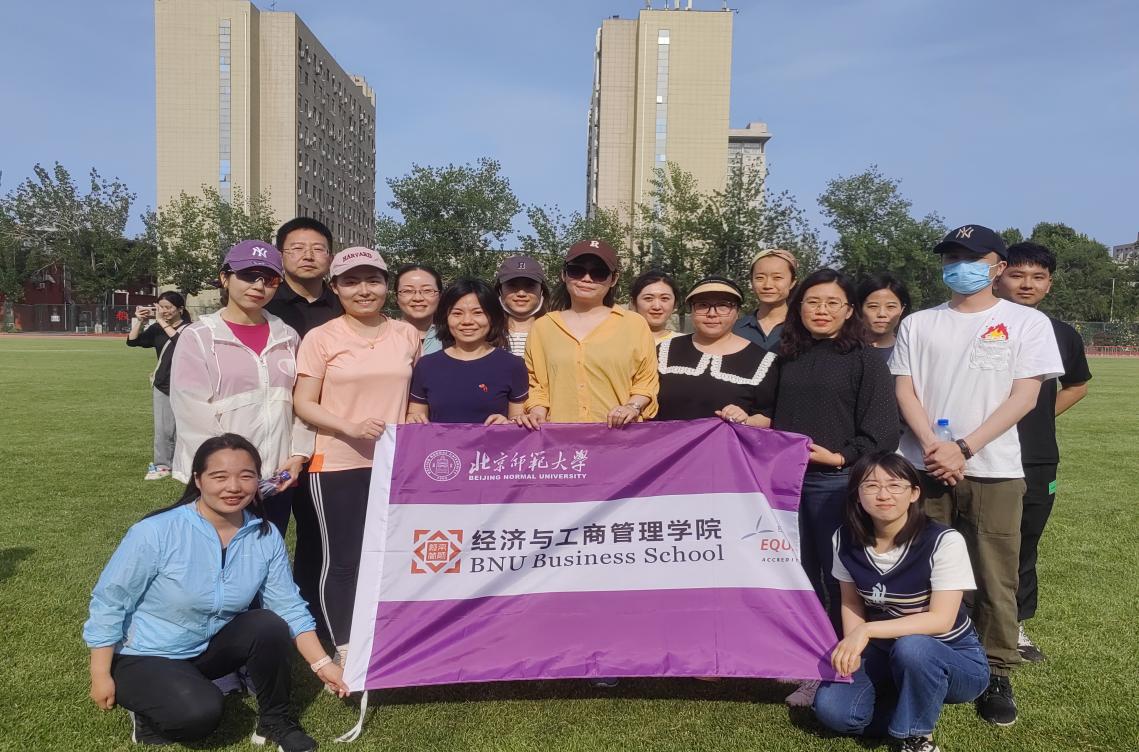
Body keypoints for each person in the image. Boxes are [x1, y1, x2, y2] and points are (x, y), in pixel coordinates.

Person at [890, 225, 1063, 726]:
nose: (959, 266)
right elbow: (905, 390)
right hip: (923, 466)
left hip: (993, 468)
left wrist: (964, 447)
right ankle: (918, 660)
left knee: (993, 573)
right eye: (951, 258)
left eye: (971, 258)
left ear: (997, 267)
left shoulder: (1026, 323)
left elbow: (1024, 397)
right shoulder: (919, 323)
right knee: (918, 569)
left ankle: (996, 670)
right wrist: (933, 446)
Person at [83, 434, 347, 750]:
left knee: (267, 623)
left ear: (258, 480)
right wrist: (100, 674)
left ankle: (276, 722)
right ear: (198, 479)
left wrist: (323, 665)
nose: (233, 487)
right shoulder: (155, 531)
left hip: (203, 648)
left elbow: (288, 606)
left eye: (246, 476)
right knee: (199, 714)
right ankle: (147, 714)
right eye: (219, 477)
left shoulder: (264, 536)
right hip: (144, 655)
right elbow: (110, 600)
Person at [773, 268, 900, 708]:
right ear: (799, 307)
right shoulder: (785, 355)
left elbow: (883, 432)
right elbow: (769, 412)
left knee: (836, 578)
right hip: (785, 485)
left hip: (835, 483)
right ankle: (807, 656)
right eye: (812, 302)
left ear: (849, 311)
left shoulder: (864, 359)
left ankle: (834, 666)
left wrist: (841, 457)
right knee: (797, 574)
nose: (821, 310)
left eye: (832, 303)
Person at [812, 452, 990, 752]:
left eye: (894, 485)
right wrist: (854, 646)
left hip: (953, 655)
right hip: (885, 650)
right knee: (832, 711)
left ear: (914, 493)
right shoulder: (843, 539)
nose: (883, 495)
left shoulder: (944, 541)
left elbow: (941, 620)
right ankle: (912, 699)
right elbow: (851, 602)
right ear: (857, 494)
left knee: (913, 647)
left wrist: (866, 631)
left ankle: (915, 736)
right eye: (871, 486)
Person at [292, 247, 419, 665]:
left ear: (386, 285)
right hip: (338, 462)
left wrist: (414, 416)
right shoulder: (322, 337)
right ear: (335, 288)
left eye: (373, 280)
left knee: (390, 554)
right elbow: (303, 402)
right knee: (344, 559)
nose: (363, 290)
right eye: (351, 281)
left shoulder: (406, 334)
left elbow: (414, 395)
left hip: (395, 465)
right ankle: (346, 647)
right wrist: (348, 426)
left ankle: (385, 634)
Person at [993, 241, 1091, 663]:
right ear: (998, 275)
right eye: (1017, 275)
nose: (1027, 284)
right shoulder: (978, 325)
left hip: (1035, 456)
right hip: (977, 451)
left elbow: (1077, 386)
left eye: (1038, 277)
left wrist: (1033, 415)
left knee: (1024, 542)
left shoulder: (1062, 334)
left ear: (1050, 284)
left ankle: (1014, 625)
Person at [170, 240, 311, 535]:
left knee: (267, 552)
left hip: (276, 478)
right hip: (223, 482)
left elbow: (301, 402)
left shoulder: (288, 336)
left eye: (270, 279)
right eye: (248, 275)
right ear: (225, 277)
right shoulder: (199, 336)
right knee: (217, 555)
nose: (259, 286)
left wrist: (298, 455)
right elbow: (191, 411)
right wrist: (229, 473)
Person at [522, 239, 658, 429]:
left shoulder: (635, 324)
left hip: (619, 437)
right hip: (560, 438)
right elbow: (536, 384)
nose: (586, 279)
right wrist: (537, 412)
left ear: (614, 279)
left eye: (598, 273)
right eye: (577, 270)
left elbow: (646, 381)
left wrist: (632, 406)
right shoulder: (543, 327)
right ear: (563, 274)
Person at [655, 276, 777, 425]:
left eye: (723, 305)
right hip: (669, 439)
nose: (712, 313)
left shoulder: (761, 360)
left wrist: (745, 420)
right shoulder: (666, 350)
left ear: (737, 312)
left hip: (727, 441)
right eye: (702, 305)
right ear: (691, 310)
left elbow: (766, 417)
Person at [407, 278, 528, 425]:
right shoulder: (427, 365)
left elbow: (518, 420)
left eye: (477, 313)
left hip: (492, 441)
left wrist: (507, 424)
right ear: (445, 317)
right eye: (457, 313)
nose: (467, 321)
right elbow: (415, 415)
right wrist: (414, 419)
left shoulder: (513, 365)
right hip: (440, 441)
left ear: (492, 317)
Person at [127, 291, 191, 480]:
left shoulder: (190, 329)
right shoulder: (157, 328)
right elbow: (132, 342)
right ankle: (163, 465)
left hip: (186, 385)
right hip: (163, 384)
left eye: (168, 307)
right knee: (163, 429)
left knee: (185, 427)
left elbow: (182, 343)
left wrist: (161, 322)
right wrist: (139, 321)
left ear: (180, 309)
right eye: (161, 307)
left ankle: (186, 464)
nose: (164, 311)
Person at [263, 217, 343, 337]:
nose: (308, 256)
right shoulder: (264, 302)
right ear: (280, 256)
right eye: (298, 248)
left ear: (331, 259)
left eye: (318, 249)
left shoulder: (344, 305)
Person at [734, 248, 798, 353]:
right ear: (751, 281)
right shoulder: (734, 329)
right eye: (760, 278)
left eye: (777, 278)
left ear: (792, 282)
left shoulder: (803, 328)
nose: (767, 285)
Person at [494, 254, 548, 357]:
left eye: (530, 285)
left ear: (542, 290)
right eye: (512, 285)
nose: (521, 294)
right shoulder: (487, 331)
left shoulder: (555, 329)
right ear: (500, 290)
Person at [858, 273, 911, 362]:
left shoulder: (910, 351)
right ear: (859, 308)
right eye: (873, 306)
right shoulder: (846, 351)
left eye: (890, 306)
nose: (882, 314)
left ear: (902, 309)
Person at [395, 263, 444, 355]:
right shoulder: (381, 337)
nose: (418, 298)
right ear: (396, 297)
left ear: (440, 296)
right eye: (407, 291)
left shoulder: (455, 339)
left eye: (427, 290)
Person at [630, 270, 681, 342]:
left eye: (664, 298)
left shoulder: (687, 343)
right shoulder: (619, 339)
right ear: (633, 303)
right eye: (648, 298)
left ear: (675, 304)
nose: (657, 307)